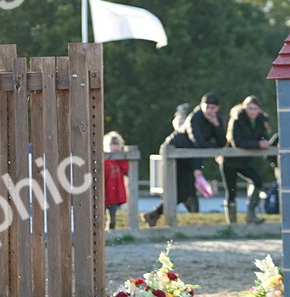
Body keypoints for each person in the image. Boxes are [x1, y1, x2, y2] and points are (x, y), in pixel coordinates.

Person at [143, 93, 223, 226]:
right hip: (173, 151)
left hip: (187, 156)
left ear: (217, 109)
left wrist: (217, 125)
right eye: (207, 107)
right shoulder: (194, 119)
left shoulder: (217, 120)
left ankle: (154, 214)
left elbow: (222, 142)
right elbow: (198, 143)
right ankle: (162, 217)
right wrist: (216, 148)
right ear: (201, 106)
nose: (210, 110)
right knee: (174, 188)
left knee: (184, 192)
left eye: (213, 108)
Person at [223, 95, 271, 225]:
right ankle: (232, 225)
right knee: (231, 192)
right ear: (245, 108)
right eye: (249, 108)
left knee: (258, 181)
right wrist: (258, 144)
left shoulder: (261, 121)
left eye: (255, 108)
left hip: (245, 162)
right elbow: (237, 142)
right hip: (230, 162)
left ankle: (251, 214)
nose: (252, 111)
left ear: (259, 110)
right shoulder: (237, 120)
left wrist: (267, 143)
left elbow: (264, 137)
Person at [102, 131, 128, 230]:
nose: (114, 147)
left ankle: (111, 233)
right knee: (100, 216)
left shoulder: (121, 159)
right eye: (112, 145)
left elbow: (126, 170)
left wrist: (122, 158)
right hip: (104, 192)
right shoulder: (105, 160)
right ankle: (101, 234)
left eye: (116, 145)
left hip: (115, 193)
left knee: (112, 217)